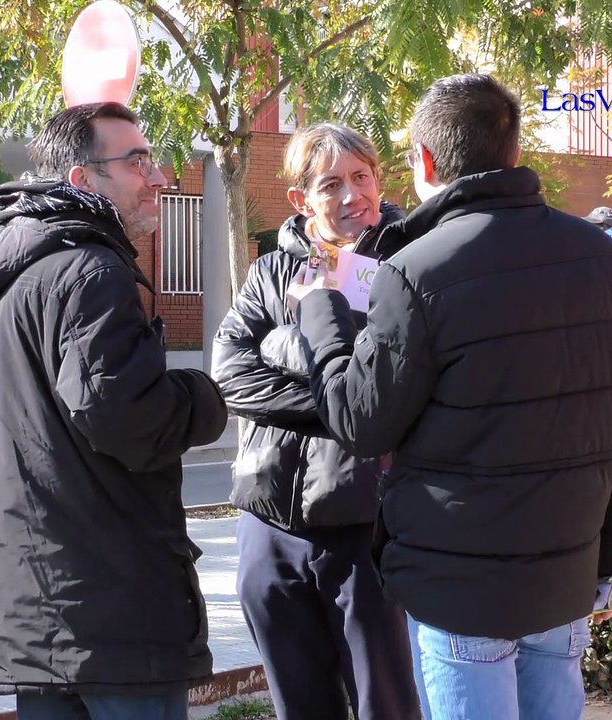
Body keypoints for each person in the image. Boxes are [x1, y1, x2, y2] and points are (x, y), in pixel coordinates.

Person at [293, 75, 612, 720]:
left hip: (459, 589)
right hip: (565, 574)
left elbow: (360, 421)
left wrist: (320, 310)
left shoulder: (417, 271)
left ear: (425, 161)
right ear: (514, 152)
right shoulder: (605, 261)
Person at [0, 102, 229, 720]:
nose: (159, 177)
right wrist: (205, 395)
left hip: (35, 603)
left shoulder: (12, 274)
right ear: (83, 179)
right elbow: (128, 418)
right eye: (138, 162)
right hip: (108, 609)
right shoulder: (91, 270)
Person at [211, 123, 419, 720]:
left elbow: (394, 379)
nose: (352, 195)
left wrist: (281, 346)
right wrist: (340, 398)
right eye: (331, 184)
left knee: (385, 705)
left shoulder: (406, 268)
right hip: (268, 522)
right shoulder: (269, 273)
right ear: (300, 199)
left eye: (361, 177)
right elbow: (230, 373)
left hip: (367, 524)